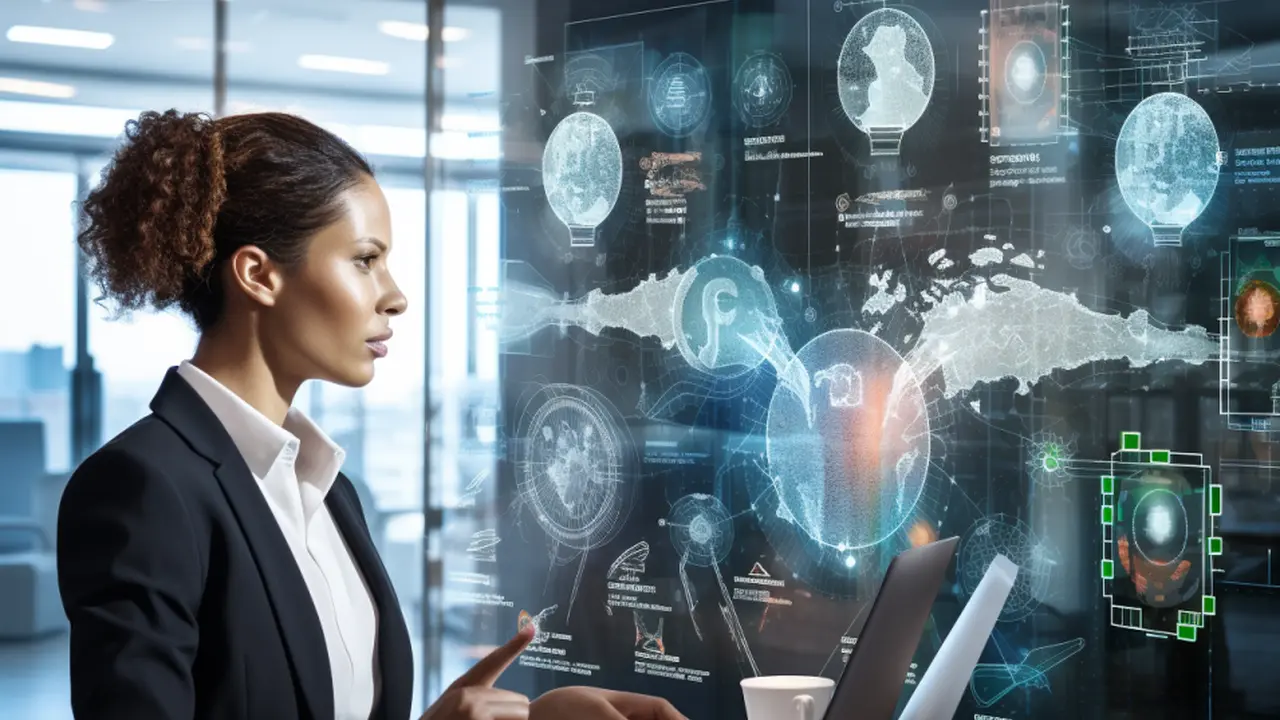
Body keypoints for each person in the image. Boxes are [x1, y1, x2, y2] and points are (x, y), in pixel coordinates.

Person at [56, 109, 685, 720]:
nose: (396, 296)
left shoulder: (330, 492)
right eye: (365, 259)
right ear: (258, 275)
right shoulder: (144, 490)